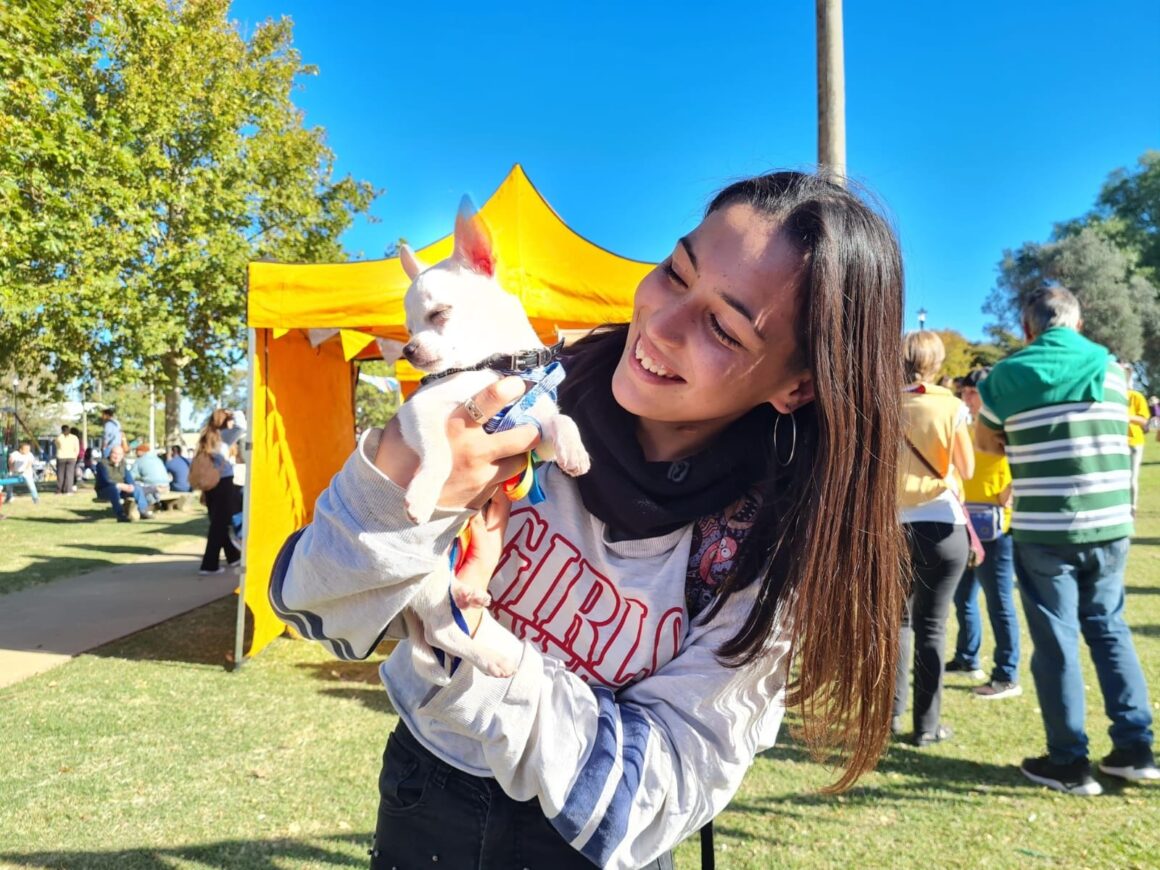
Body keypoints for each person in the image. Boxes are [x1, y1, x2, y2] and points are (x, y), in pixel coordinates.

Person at [270, 172, 907, 869]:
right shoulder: (508, 404)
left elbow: (656, 791)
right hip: (427, 792)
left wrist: (478, 647)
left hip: (590, 846)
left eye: (723, 326)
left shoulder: (764, 545)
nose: (659, 326)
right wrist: (403, 485)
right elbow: (314, 609)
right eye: (673, 272)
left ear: (797, 385)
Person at [976, 286, 1157, 795]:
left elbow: (986, 444)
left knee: (1056, 641)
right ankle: (1135, 748)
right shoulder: (1112, 371)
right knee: (1109, 628)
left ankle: (1068, 761)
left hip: (1045, 528)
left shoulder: (1006, 376)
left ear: (1028, 327)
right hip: (1110, 523)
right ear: (1077, 323)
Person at [893, 331, 974, 747]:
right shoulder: (951, 406)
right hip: (941, 523)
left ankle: (889, 713)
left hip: (891, 525)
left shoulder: (881, 403)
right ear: (937, 362)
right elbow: (968, 468)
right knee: (931, 627)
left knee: (896, 625)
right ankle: (927, 725)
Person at [948, 368, 1022, 700]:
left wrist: (1006, 497)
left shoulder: (1006, 428)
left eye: (972, 392)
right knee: (963, 597)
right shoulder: (962, 426)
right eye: (963, 392)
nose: (967, 398)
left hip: (995, 526)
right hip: (964, 520)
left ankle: (1006, 675)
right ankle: (967, 658)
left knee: (999, 601)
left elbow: (1020, 466)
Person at [196, 409, 243, 575]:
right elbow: (241, 426)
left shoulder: (207, 437)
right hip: (223, 482)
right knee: (220, 523)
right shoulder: (224, 436)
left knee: (218, 521)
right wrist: (235, 412)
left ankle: (232, 556)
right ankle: (209, 565)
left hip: (209, 484)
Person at [93, 444, 151, 522]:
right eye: (115, 454)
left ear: (122, 455)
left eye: (119, 454)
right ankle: (120, 515)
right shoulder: (102, 464)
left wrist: (131, 486)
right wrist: (118, 485)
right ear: (110, 454)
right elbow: (105, 480)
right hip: (105, 490)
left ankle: (143, 510)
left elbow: (128, 478)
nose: (117, 456)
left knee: (137, 488)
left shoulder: (123, 464)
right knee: (113, 489)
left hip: (122, 490)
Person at [1123, 366, 1148, 517]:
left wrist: (1125, 416)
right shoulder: (1110, 396)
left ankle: (1132, 508)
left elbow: (1144, 420)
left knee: (1132, 478)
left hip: (1134, 442)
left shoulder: (1136, 397)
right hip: (1115, 442)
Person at [54, 424, 80, 495]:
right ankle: (68, 490)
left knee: (60, 474)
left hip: (61, 457)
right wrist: (76, 456)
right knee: (70, 474)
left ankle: (59, 490)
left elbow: (57, 445)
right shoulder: (74, 437)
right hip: (71, 457)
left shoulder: (59, 437)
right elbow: (77, 448)